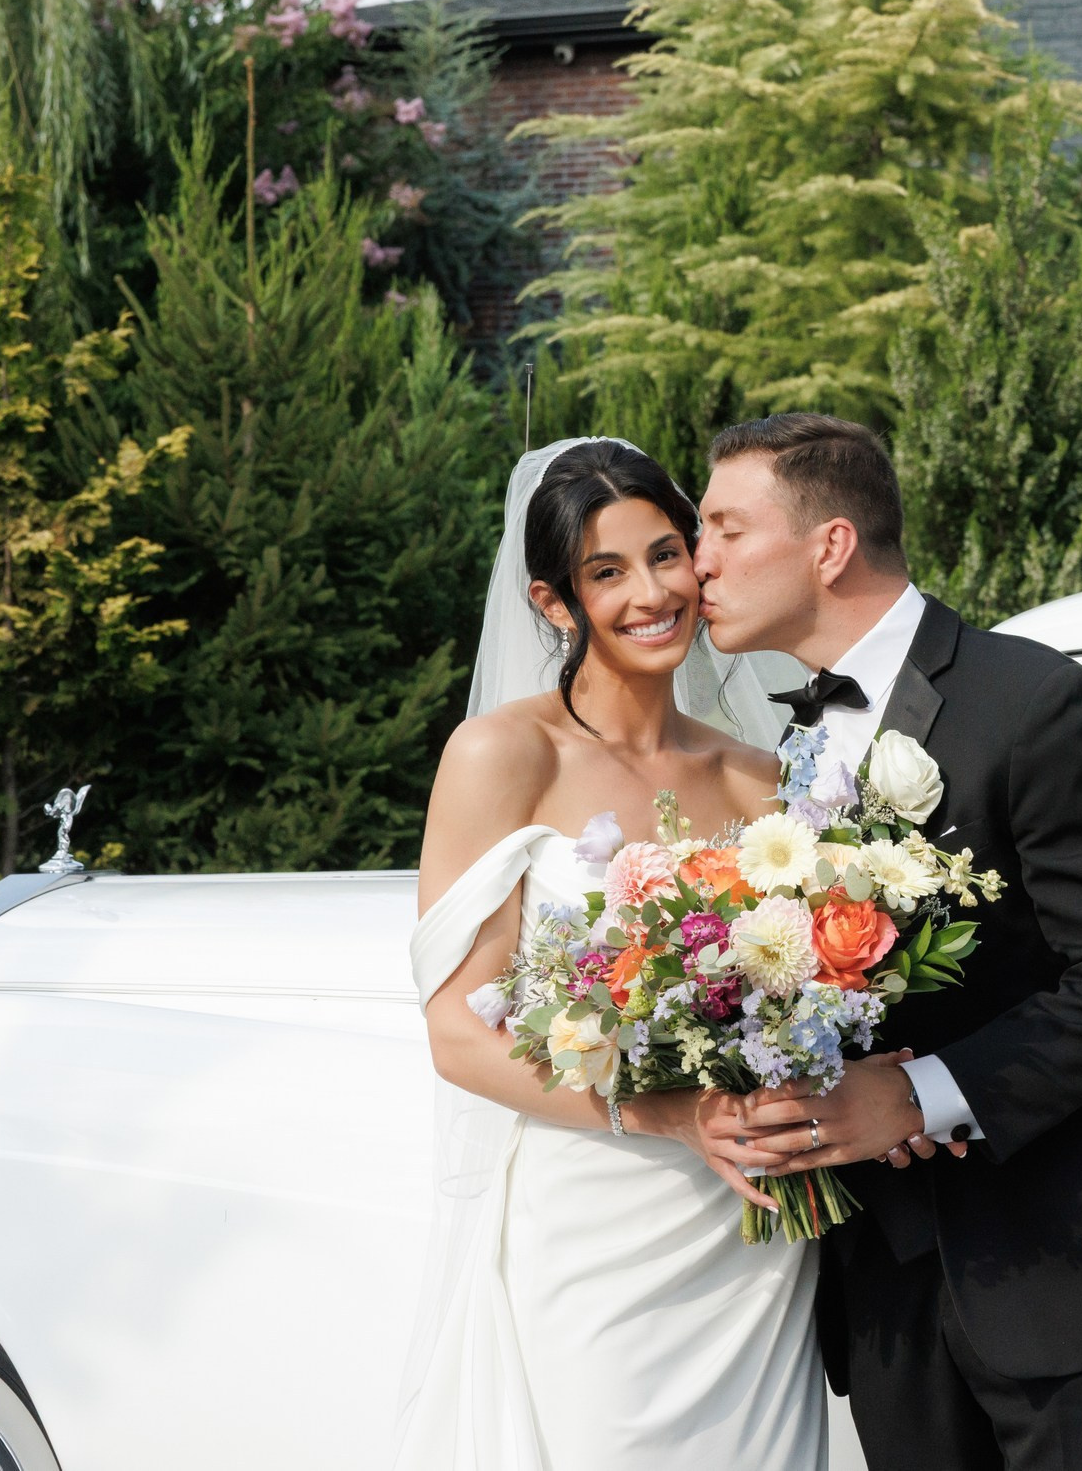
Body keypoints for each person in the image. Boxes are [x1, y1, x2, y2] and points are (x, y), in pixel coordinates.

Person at [693, 414, 1082, 1471]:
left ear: (830, 544)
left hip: (1063, 1259)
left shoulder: (1034, 702)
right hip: (888, 1278)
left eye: (723, 526)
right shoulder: (796, 741)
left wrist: (920, 1091)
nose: (699, 559)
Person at [393, 438, 829, 1470]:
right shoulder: (504, 755)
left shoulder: (763, 777)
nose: (652, 592)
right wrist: (667, 1112)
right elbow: (458, 1033)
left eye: (667, 553)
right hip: (593, 1221)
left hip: (750, 1237)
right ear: (552, 603)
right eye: (607, 571)